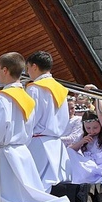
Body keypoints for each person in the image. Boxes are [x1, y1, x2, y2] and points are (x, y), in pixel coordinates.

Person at [0, 52, 90, 202]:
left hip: (12, 151)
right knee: (29, 194)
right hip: (35, 145)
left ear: (5, 70)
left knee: (16, 200)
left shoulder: (12, 96)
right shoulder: (51, 90)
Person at [24, 51, 72, 192]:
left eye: (27, 68)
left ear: (34, 66)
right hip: (56, 143)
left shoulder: (35, 88)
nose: (27, 72)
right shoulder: (60, 88)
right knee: (55, 184)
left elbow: (31, 118)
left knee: (38, 185)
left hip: (38, 144)